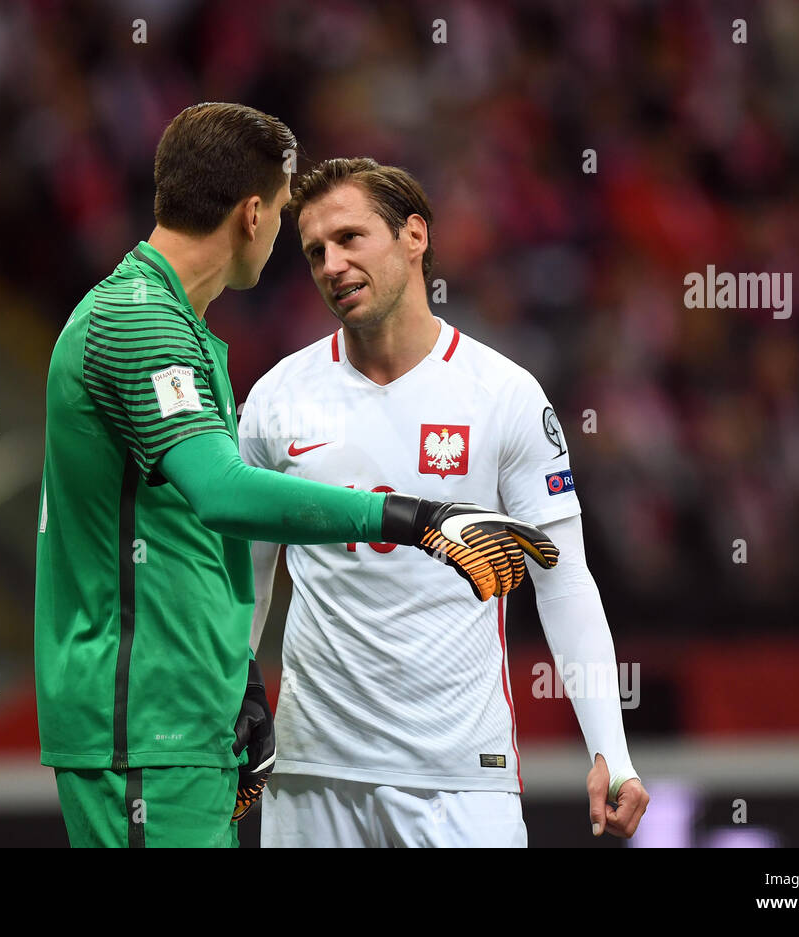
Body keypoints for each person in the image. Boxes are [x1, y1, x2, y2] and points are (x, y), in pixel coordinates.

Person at [35, 106, 557, 848]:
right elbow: (224, 494)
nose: (293, 242)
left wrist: (236, 675)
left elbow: (187, 530)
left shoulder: (181, 329)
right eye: (285, 215)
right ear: (252, 213)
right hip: (143, 718)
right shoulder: (139, 320)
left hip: (182, 716)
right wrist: (413, 519)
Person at [239, 157, 649, 847]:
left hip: (460, 777)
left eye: (349, 238)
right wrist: (230, 700)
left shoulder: (503, 395)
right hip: (314, 778)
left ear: (414, 236)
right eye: (315, 251)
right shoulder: (278, 399)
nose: (331, 264)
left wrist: (610, 745)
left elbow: (565, 580)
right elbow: (244, 577)